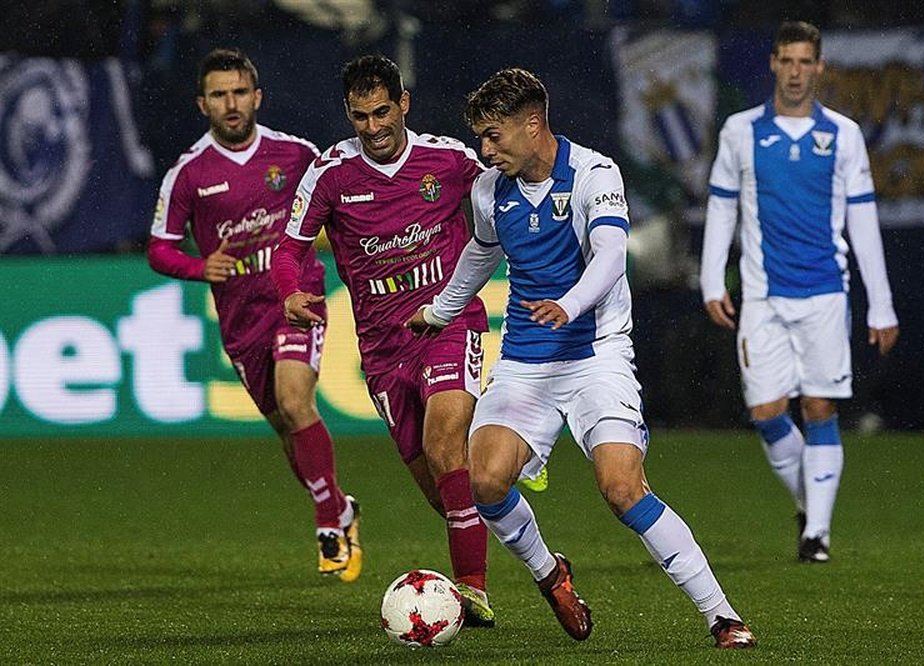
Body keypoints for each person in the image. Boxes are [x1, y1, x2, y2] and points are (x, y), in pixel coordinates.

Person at [406, 67, 756, 649]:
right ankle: (551, 574)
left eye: (493, 135)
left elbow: (612, 255)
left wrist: (569, 306)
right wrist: (440, 311)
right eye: (480, 137)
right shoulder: (490, 188)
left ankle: (721, 615)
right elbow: (480, 252)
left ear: (532, 123)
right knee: (485, 481)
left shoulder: (595, 171)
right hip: (524, 361)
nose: (483, 149)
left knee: (622, 489)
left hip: (597, 356)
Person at [271, 54, 495, 626]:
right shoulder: (330, 174)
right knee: (439, 490)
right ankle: (519, 535)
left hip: (448, 322)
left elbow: (509, 197)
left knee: (448, 447)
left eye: (381, 113)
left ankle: (472, 590)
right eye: (359, 117)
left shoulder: (450, 161)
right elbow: (289, 251)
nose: (372, 128)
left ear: (404, 104)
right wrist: (290, 293)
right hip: (382, 350)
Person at [147, 48, 361, 580]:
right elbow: (159, 248)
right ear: (203, 104)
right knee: (288, 430)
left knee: (296, 399)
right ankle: (340, 504)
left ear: (257, 96)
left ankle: (327, 524)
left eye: (240, 92)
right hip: (241, 321)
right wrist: (201, 268)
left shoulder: (296, 155)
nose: (231, 103)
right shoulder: (189, 174)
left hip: (297, 298)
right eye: (219, 95)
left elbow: (338, 210)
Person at [700, 21, 900, 564]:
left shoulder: (843, 135)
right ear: (772, 63)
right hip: (762, 298)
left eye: (804, 62)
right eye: (786, 60)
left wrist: (880, 302)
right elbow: (722, 207)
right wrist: (711, 277)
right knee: (767, 413)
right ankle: (815, 509)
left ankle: (816, 533)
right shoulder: (740, 131)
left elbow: (862, 221)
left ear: (819, 67)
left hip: (824, 296)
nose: (795, 72)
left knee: (818, 407)